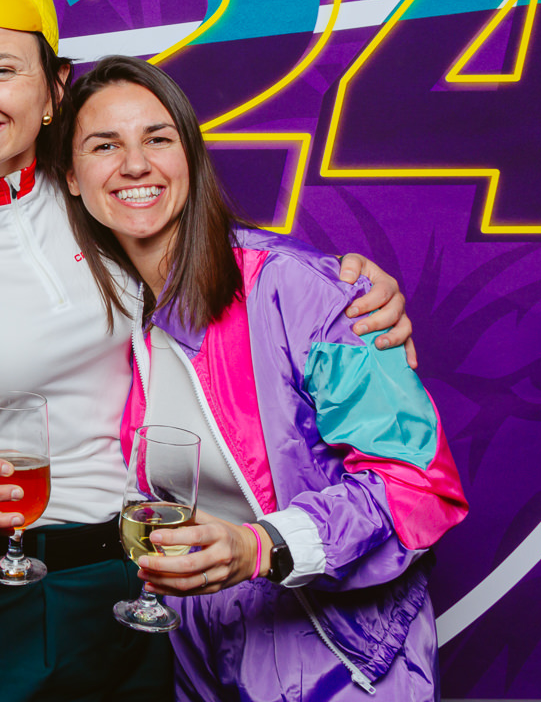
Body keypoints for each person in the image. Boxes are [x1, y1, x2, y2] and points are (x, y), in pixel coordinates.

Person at [0, 0, 415, 701]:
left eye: (1, 69)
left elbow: (234, 275)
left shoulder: (104, 192)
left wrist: (348, 292)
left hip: (137, 581)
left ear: (54, 90)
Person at [55, 55, 468, 701]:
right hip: (197, 646)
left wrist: (262, 547)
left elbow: (418, 485)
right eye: (105, 145)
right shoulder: (113, 314)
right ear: (71, 178)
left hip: (338, 651)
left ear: (190, 158)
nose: (134, 164)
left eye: (158, 138)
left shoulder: (298, 290)